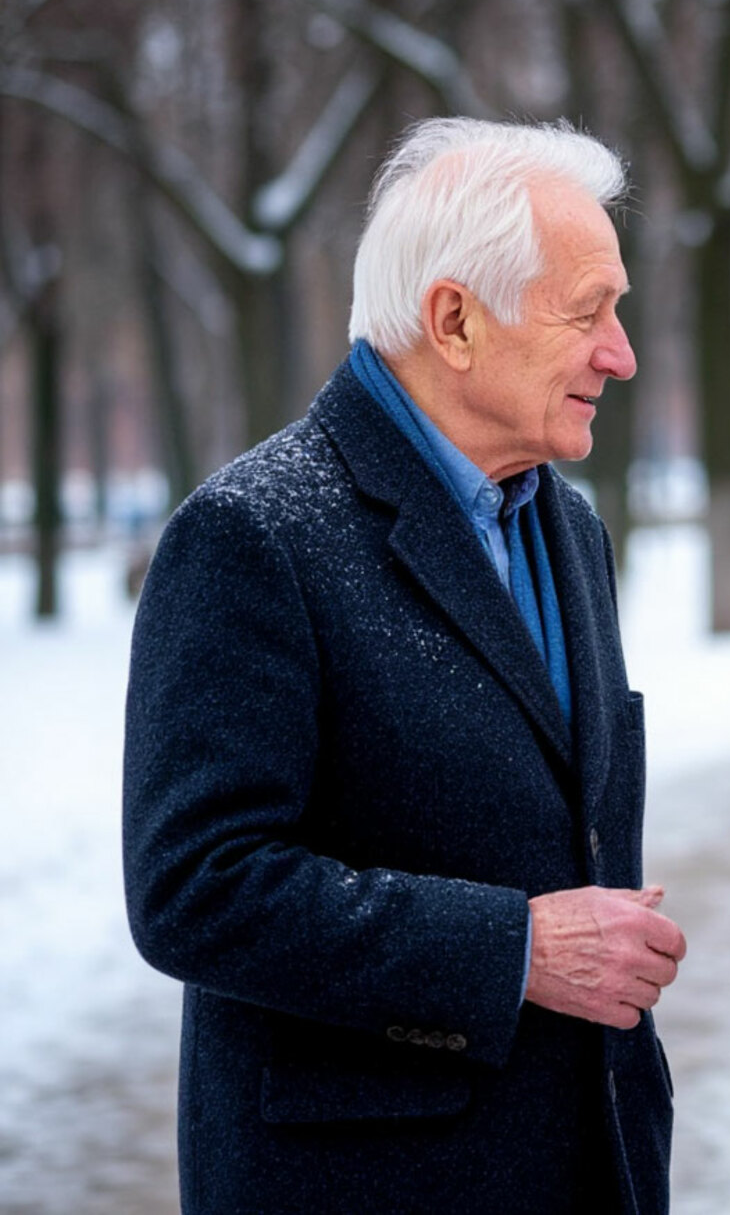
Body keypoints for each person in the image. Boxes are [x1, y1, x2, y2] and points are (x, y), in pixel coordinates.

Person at [123, 118, 685, 1215]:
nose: (621, 352)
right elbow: (195, 886)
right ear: (454, 320)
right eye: (589, 314)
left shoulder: (574, 532)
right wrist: (510, 948)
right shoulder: (254, 533)